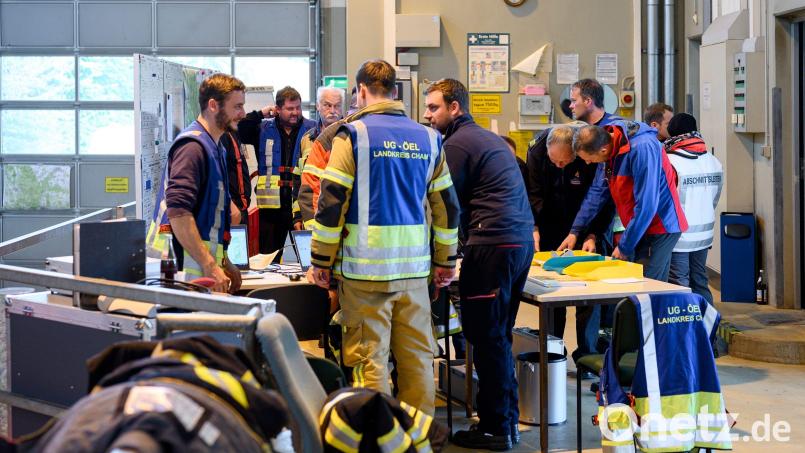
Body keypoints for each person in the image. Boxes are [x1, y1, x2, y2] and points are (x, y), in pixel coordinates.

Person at [308, 60, 460, 416]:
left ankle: (379, 441)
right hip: (414, 275)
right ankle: (418, 439)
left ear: (361, 91)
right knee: (418, 360)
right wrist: (445, 261)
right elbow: (447, 207)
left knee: (369, 362)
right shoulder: (429, 138)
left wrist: (320, 261)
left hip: (365, 277)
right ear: (395, 91)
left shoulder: (353, 136)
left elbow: (331, 203)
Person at [425, 78, 533, 450]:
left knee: (485, 337)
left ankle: (496, 429)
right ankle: (505, 421)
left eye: (434, 107)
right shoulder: (485, 138)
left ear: (455, 107)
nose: (427, 114)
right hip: (515, 243)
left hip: (492, 245)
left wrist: (439, 258)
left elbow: (443, 205)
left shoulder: (457, 144)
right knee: (498, 336)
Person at [146, 73, 245, 294]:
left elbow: (210, 217)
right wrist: (211, 265)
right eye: (237, 107)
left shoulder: (215, 146)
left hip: (196, 267)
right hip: (178, 268)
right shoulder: (193, 147)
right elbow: (179, 214)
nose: (243, 114)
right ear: (213, 105)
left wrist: (224, 262)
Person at [526, 124, 614, 365]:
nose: (558, 167)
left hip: (586, 230)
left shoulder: (590, 155)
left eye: (563, 163)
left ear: (576, 153)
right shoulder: (537, 154)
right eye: (554, 162)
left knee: (589, 294)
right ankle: (554, 352)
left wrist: (593, 234)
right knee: (553, 294)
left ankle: (588, 355)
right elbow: (532, 194)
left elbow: (605, 200)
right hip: (550, 228)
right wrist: (534, 228)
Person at [567, 123, 688, 281]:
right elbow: (597, 193)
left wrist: (624, 246)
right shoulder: (608, 147)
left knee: (649, 286)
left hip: (659, 225)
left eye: (589, 159)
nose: (589, 163)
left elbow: (647, 205)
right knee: (636, 283)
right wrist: (575, 230)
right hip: (639, 226)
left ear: (602, 150)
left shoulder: (642, 148)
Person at [237, 86, 315, 254]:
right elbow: (239, 128)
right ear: (278, 109)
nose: (295, 112)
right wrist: (260, 114)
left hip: (301, 207)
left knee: (307, 259)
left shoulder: (312, 130)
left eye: (298, 107)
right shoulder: (263, 129)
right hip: (270, 212)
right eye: (290, 108)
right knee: (268, 259)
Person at [665, 113, 723, 304]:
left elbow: (665, 201)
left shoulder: (671, 161)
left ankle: (686, 331)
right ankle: (707, 329)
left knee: (679, 285)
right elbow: (715, 198)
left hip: (679, 236)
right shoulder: (713, 160)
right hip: (704, 236)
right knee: (700, 282)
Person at [296, 86, 345, 229]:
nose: (332, 110)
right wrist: (298, 216)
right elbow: (298, 178)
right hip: (310, 214)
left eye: (337, 106)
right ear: (318, 106)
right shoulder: (307, 139)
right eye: (327, 105)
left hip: (339, 214)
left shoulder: (350, 137)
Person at [220, 130, 250, 225]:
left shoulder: (234, 133)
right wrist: (230, 205)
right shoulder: (223, 136)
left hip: (240, 208)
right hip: (232, 210)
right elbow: (218, 175)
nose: (241, 114)